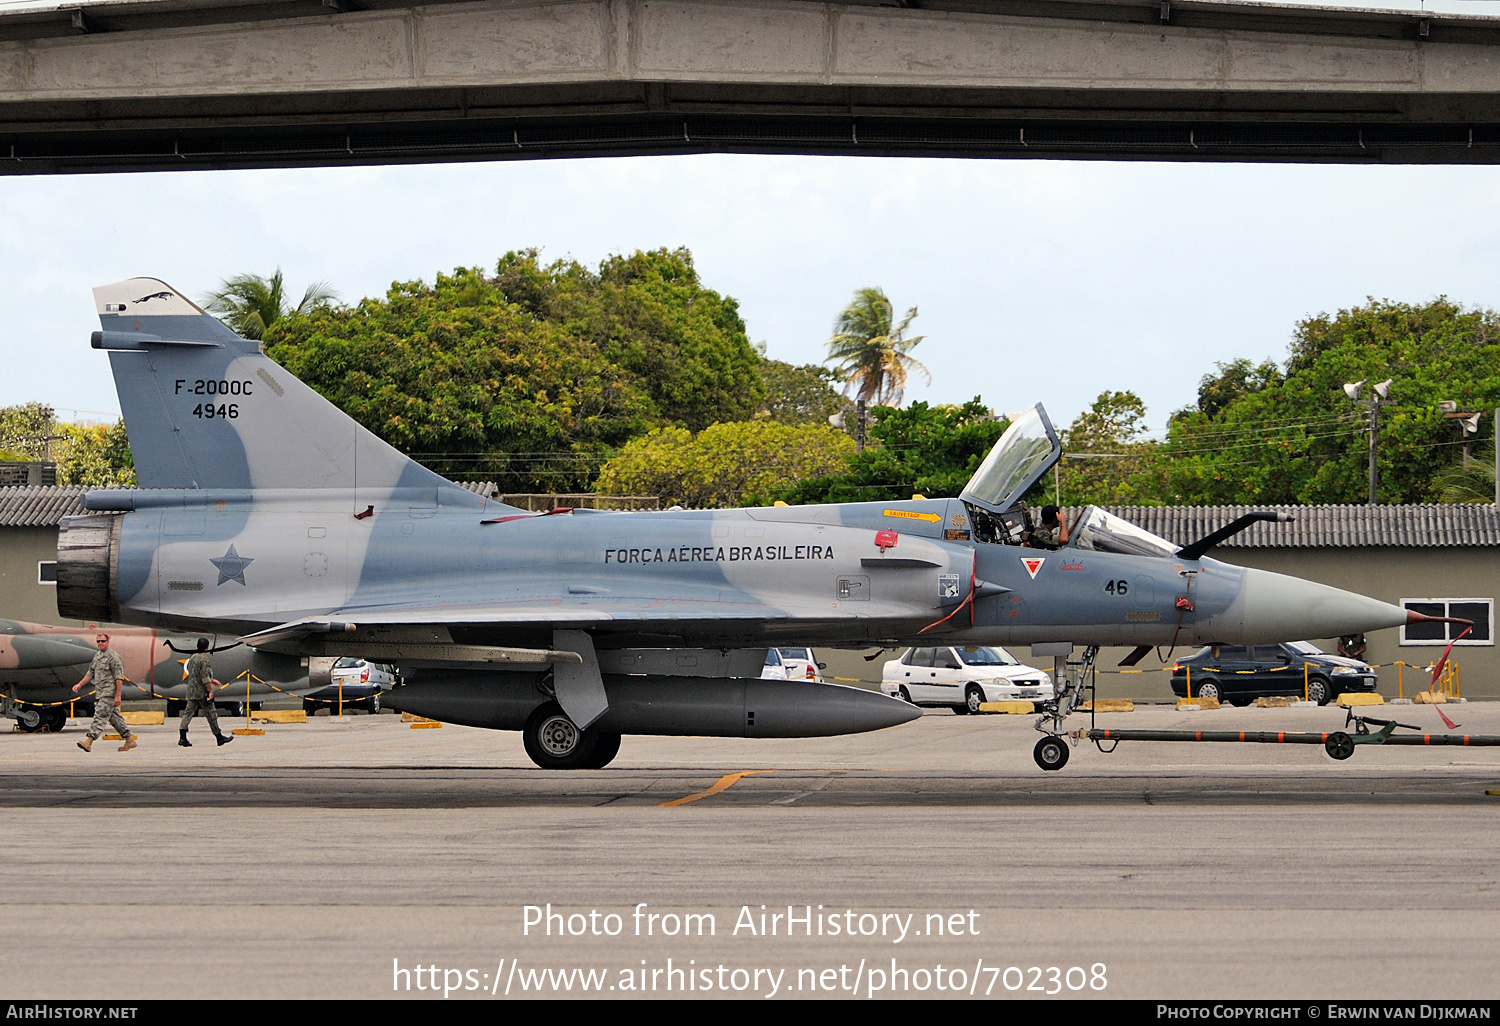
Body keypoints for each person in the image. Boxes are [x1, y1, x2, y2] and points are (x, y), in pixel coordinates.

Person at [72, 633, 136, 753]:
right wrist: (79, 684)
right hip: (101, 692)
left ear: (108, 642)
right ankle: (129, 739)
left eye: (102, 641)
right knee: (114, 718)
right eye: (98, 641)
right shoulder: (97, 656)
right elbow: (90, 673)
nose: (100, 643)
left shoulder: (113, 657)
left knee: (100, 715)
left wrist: (117, 696)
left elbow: (119, 678)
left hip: (109, 693)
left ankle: (89, 741)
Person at [179, 638, 233, 747]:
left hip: (192, 691)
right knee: (211, 714)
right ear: (207, 647)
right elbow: (204, 677)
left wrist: (212, 680)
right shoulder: (204, 660)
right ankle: (219, 737)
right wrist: (210, 690)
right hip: (201, 692)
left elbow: (195, 673)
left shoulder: (193, 658)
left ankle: (182, 737)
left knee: (187, 714)